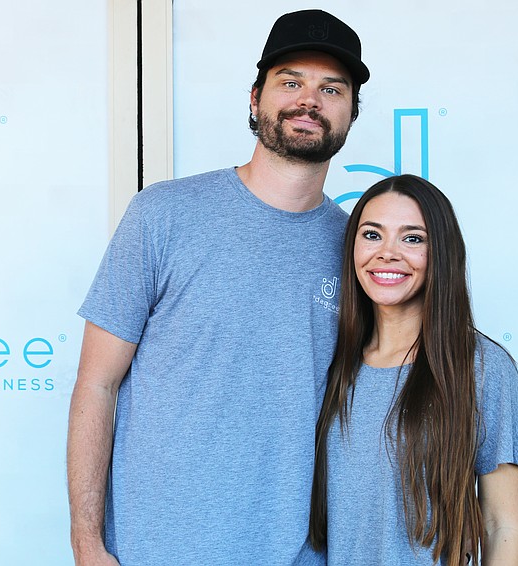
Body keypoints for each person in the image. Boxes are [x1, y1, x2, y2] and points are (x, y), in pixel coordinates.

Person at [66, 9, 369, 566]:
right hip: (154, 551)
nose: (310, 100)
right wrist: (87, 542)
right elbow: (96, 384)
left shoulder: (358, 251)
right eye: (291, 82)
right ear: (255, 99)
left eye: (332, 88)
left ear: (352, 111)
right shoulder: (163, 214)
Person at [309, 175, 518, 565]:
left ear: (441, 253)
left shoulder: (481, 368)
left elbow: (501, 523)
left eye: (412, 238)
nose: (387, 253)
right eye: (372, 235)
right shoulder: (334, 363)